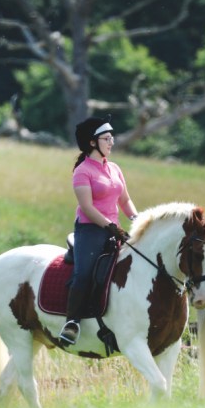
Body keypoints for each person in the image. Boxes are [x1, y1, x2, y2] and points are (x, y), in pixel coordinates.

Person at [59, 116, 138, 346]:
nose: (112, 142)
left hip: (115, 231)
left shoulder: (114, 168)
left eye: (112, 137)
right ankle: (72, 322)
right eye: (107, 138)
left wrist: (138, 219)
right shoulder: (82, 171)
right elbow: (87, 207)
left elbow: (125, 200)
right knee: (84, 274)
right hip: (90, 231)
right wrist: (110, 226)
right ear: (93, 142)